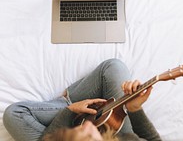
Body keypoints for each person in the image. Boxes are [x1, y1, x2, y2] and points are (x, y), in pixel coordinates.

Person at [3, 59, 162, 141]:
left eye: (77, 130)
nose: (87, 125)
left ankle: (68, 102)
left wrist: (69, 111)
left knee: (14, 114)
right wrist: (134, 109)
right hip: (118, 129)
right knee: (113, 67)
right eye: (88, 136)